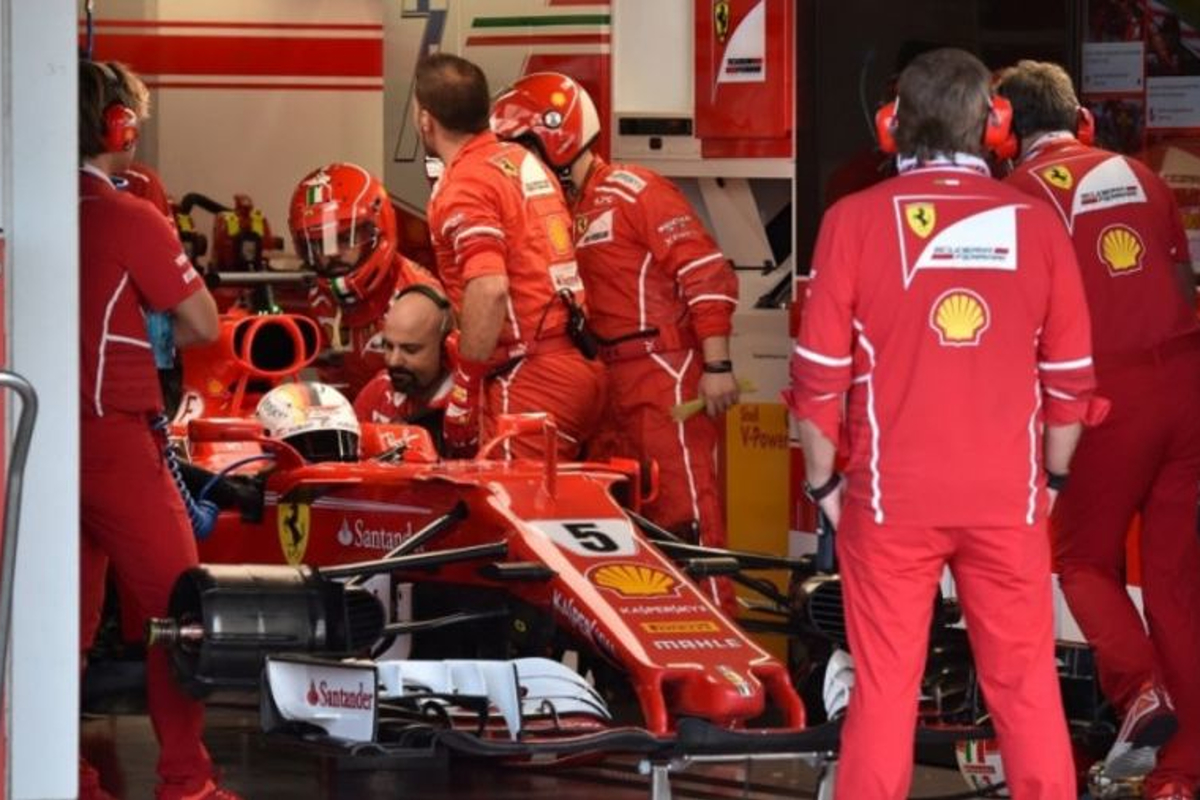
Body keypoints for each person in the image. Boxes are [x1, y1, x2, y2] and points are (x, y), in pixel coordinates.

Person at [786, 48, 1102, 799]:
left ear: (891, 126)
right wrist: (1051, 480)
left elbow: (818, 382)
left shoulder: (851, 221)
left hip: (890, 500)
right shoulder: (1038, 223)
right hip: (1007, 499)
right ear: (995, 125)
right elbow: (1069, 383)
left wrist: (824, 486)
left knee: (883, 692)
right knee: (1026, 689)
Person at [999, 60, 1200, 800]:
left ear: (1002, 131)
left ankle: (1141, 691)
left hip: (1105, 397)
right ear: (1081, 119)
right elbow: (1180, 287)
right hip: (1186, 384)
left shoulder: (1017, 196)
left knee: (1082, 560)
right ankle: (1179, 775)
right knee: (1175, 585)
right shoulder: (1140, 174)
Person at [489, 72, 740, 610]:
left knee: (686, 522)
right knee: (621, 534)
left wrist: (718, 365)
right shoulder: (556, 212)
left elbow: (705, 271)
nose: (515, 164)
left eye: (521, 149)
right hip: (603, 384)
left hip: (664, 377)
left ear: (552, 139)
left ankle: (719, 644)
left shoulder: (635, 189)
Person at [78, 60, 236, 800]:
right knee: (182, 609)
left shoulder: (25, 202)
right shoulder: (128, 215)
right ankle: (185, 780)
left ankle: (58, 773)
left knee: (58, 620)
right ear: (118, 127)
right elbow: (202, 323)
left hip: (29, 436)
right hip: (114, 437)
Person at [412, 53, 605, 459]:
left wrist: (466, 385)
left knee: (507, 497)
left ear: (425, 119)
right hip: (579, 361)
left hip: (531, 375)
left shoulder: (465, 184)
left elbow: (490, 287)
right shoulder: (523, 161)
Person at [288, 161, 441, 399]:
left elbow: (438, 391)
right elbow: (332, 378)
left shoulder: (418, 295)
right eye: (320, 243)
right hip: (354, 412)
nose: (331, 254)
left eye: (344, 238)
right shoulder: (319, 296)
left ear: (378, 230)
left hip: (410, 414)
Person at [353, 285, 455, 448]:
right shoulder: (378, 391)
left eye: (410, 350)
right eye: (388, 346)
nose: (394, 361)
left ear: (445, 348)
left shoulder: (471, 405)